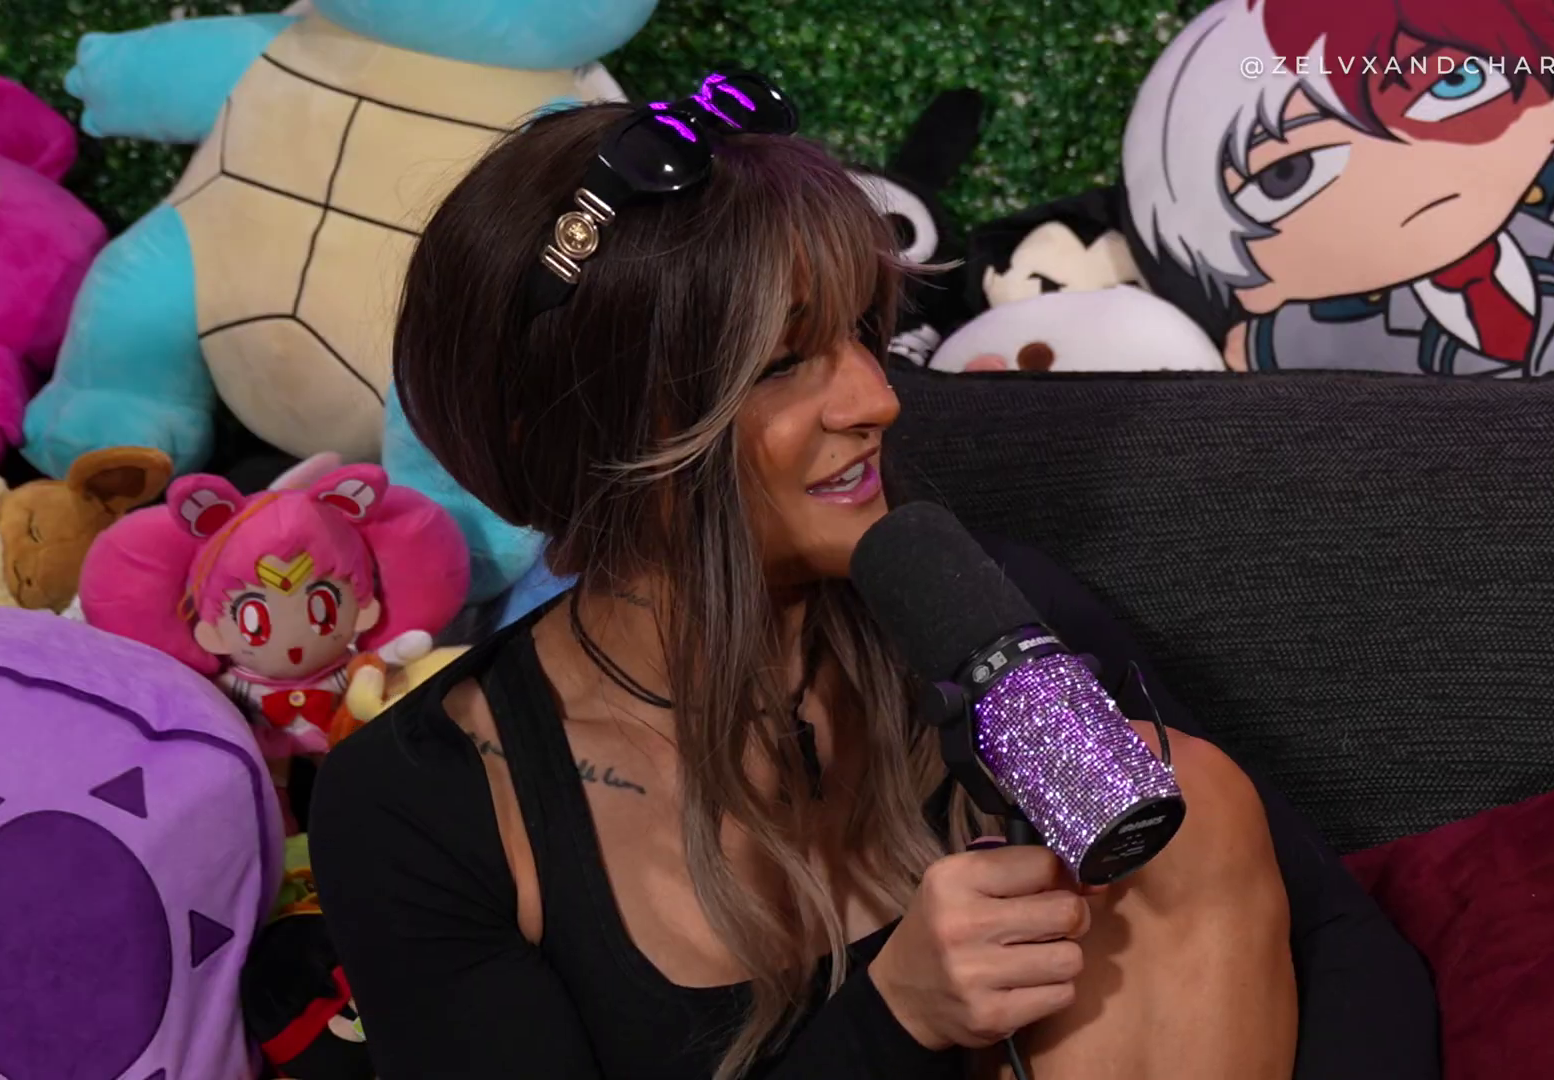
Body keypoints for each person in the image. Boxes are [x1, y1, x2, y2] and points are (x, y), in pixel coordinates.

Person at [310, 73, 1440, 1079]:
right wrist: (899, 1020)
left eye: (864, 331)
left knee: (1180, 806)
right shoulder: (423, 803)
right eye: (781, 362)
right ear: (588, 435)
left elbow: (1338, 945)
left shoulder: (987, 616)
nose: (877, 399)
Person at [1121, 0, 1554, 378]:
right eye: (1287, 176)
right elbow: (1264, 344)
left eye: (1454, 84)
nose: (1401, 159)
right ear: (1255, 285)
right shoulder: (1316, 331)